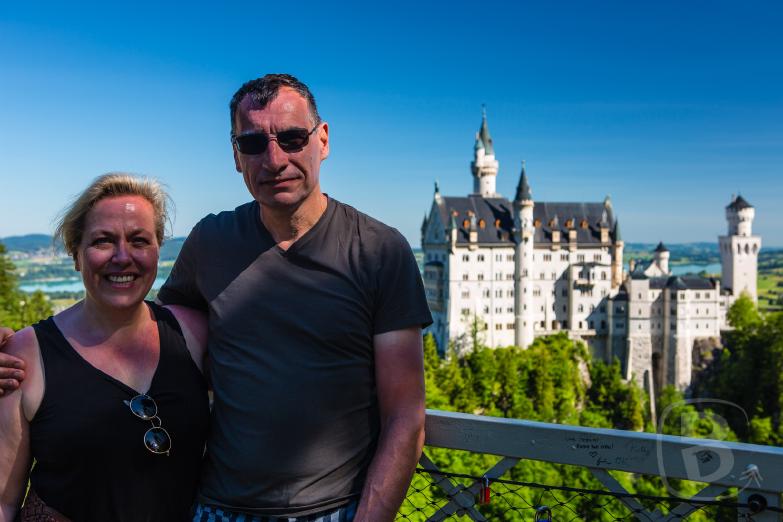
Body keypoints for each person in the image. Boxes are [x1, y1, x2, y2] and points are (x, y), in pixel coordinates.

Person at [0, 74, 431, 522]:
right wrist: (27, 352)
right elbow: (144, 331)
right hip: (214, 508)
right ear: (235, 155)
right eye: (253, 143)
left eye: (291, 137)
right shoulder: (211, 241)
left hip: (331, 510)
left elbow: (405, 415)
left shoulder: (380, 251)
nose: (274, 158)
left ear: (322, 140)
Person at [0, 174, 210, 521]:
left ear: (159, 249)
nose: (122, 256)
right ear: (76, 254)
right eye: (103, 241)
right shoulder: (25, 355)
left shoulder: (193, 332)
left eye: (140, 240)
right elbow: (4, 503)